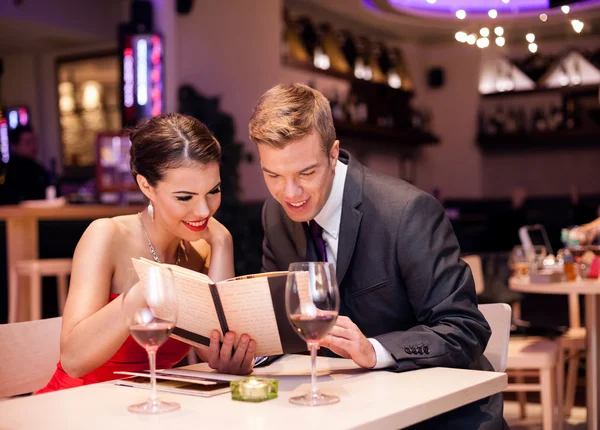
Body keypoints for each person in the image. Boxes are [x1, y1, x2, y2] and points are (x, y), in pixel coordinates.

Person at [249, 84, 505, 429]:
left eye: (305, 173)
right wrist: (251, 349)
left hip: (440, 416)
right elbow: (281, 328)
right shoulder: (275, 215)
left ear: (332, 153)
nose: (289, 193)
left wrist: (374, 350)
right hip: (343, 410)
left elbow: (465, 329)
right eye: (273, 175)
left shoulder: (406, 212)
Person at [38, 113, 255, 393]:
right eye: (185, 197)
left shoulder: (201, 248)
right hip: (77, 404)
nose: (203, 211)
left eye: (213, 191)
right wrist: (145, 290)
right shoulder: (107, 236)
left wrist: (223, 242)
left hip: (153, 408)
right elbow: (73, 361)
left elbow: (212, 349)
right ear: (146, 186)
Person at [0, 125, 49, 204]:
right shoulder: (11, 170)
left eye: (34, 141)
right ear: (15, 146)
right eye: (27, 143)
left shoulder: (37, 167)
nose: (33, 146)